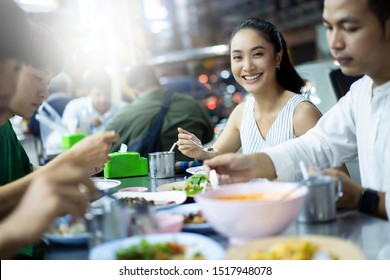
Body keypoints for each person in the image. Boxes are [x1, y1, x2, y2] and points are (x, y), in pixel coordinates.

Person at [204, 0, 390, 220]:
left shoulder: (300, 109)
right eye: (329, 28)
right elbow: (320, 144)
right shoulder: (361, 92)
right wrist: (253, 164)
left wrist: (362, 198)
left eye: (349, 28)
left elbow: (338, 177)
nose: (335, 43)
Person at [0, 19, 119, 259]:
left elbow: (24, 173)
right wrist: (64, 164)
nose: (44, 92)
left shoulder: (6, 126)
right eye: (36, 77)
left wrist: (73, 170)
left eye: (47, 82)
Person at [177, 17, 332, 181]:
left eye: (257, 54)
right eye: (238, 57)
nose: (248, 66)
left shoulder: (301, 113)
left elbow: (338, 181)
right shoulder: (241, 112)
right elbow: (216, 155)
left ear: (277, 58)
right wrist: (199, 151)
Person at [105, 64, 215, 161]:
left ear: (133, 89)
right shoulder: (191, 103)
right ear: (156, 80)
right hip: (190, 174)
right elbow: (209, 136)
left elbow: (103, 146)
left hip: (148, 179)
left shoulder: (126, 113)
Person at [62, 69, 125, 135]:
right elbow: (65, 134)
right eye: (98, 94)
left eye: (107, 93)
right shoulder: (74, 107)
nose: (102, 99)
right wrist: (88, 127)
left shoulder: (123, 109)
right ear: (88, 92)